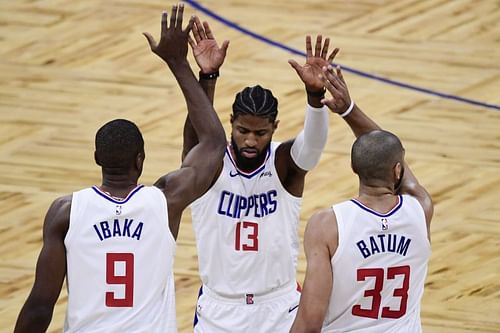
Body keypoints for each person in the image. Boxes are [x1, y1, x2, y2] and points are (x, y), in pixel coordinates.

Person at [14, 4, 226, 333]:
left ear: (97, 158)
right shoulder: (165, 201)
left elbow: (40, 307)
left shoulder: (65, 212)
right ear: (140, 160)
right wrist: (182, 65)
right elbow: (213, 143)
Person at [183, 17, 342, 333]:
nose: (251, 141)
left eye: (260, 133)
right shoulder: (209, 163)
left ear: (274, 129)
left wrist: (315, 97)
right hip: (219, 309)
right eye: (242, 131)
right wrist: (207, 76)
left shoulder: (284, 165)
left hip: (278, 308)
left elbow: (313, 145)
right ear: (230, 123)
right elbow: (196, 135)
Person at [290, 65, 433, 333]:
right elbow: (393, 152)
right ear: (397, 170)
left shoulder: (327, 225)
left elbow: (309, 323)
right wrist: (349, 109)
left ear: (354, 169)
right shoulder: (420, 209)